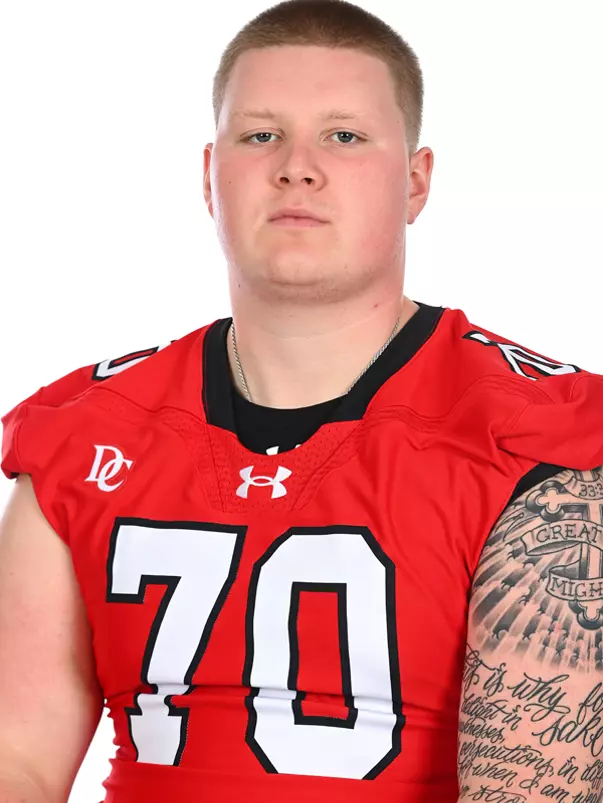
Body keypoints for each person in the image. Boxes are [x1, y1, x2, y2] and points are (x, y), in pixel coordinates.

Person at [2, 1, 603, 801]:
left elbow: (532, 788)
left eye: (343, 136)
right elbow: (21, 757)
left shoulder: (534, 436)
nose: (297, 166)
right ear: (208, 176)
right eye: (259, 135)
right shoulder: (84, 430)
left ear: (415, 181)